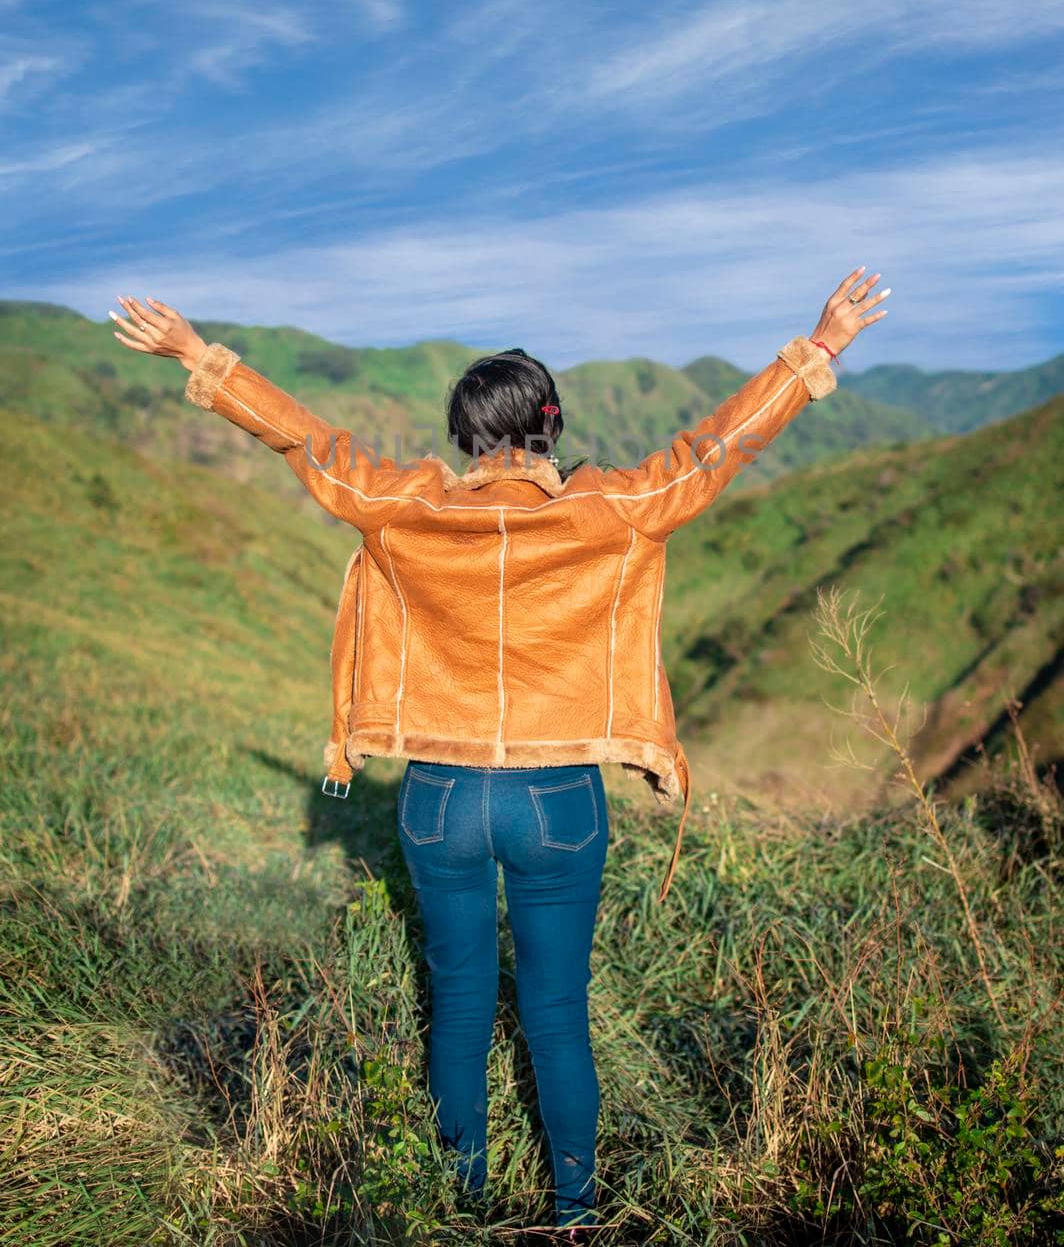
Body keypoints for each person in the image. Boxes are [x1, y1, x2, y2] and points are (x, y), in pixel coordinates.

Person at [108, 267, 889, 1239]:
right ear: (550, 423)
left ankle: (460, 1203)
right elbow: (714, 449)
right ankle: (574, 1212)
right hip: (559, 799)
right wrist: (813, 349)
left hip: (439, 796)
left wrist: (197, 355)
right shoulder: (614, 507)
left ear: (461, 438)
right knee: (556, 1010)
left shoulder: (405, 505)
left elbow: (307, 440)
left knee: (461, 1005)